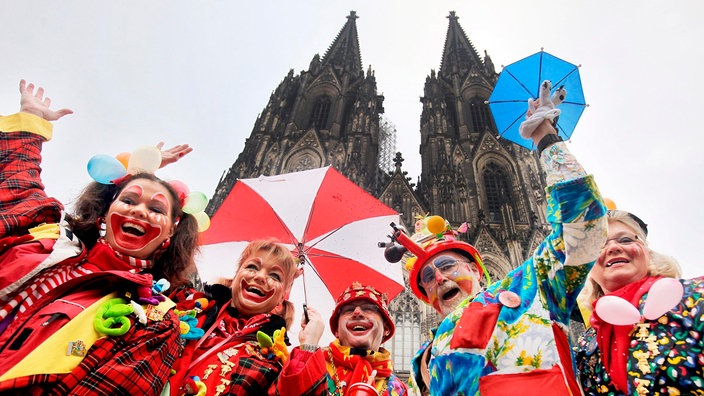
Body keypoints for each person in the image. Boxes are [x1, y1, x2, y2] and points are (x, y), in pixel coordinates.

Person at [384, 80, 607, 395]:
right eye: (426, 278)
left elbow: (586, 227)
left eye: (447, 264)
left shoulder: (531, 288)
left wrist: (546, 139)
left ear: (477, 268)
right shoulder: (428, 359)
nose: (439, 278)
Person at [0, 80, 201, 394]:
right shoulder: (48, 238)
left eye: (156, 208)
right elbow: (16, 187)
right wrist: (31, 123)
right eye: (129, 200)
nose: (140, 212)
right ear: (107, 209)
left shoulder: (154, 321)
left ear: (172, 229)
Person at [574, 209, 703, 395]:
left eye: (625, 240)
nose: (612, 248)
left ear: (648, 251)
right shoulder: (586, 345)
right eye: (599, 245)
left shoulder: (695, 296)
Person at [168, 238, 299, 395]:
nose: (260, 277)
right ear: (235, 276)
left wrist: (308, 347)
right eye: (252, 267)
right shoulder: (188, 304)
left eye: (275, 276)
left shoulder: (272, 361)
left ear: (281, 298)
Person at [276, 281, 409, 396]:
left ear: (386, 328)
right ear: (336, 330)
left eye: (369, 308)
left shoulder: (397, 388)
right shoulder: (312, 363)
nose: (357, 312)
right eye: (348, 310)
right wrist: (308, 345)